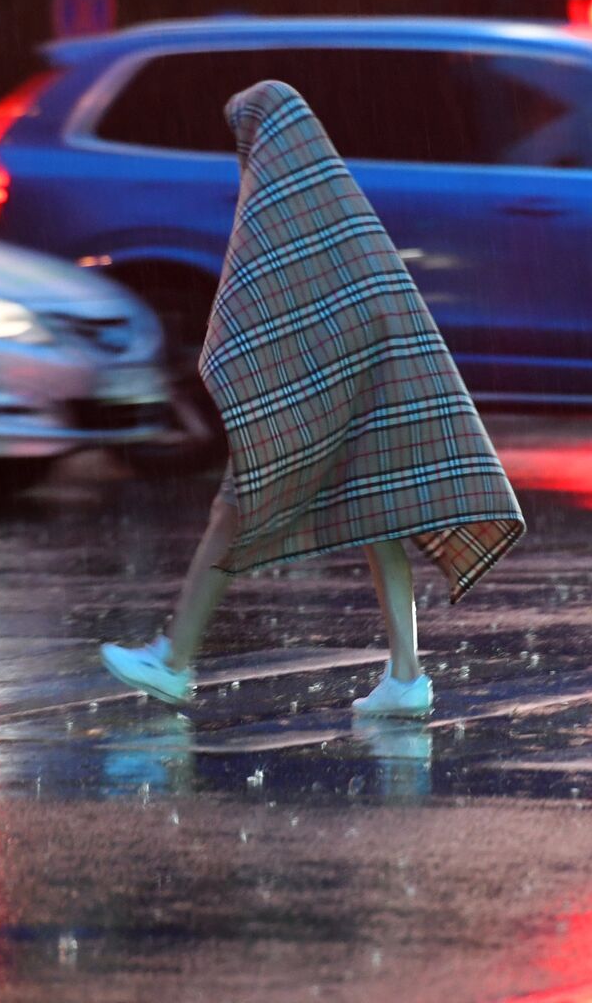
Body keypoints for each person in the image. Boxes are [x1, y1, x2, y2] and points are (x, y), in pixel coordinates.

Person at [100, 80, 524, 718]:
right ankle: (406, 676)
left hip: (317, 399)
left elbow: (262, 306)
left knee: (236, 513)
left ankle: (174, 660)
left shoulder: (280, 209)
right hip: (370, 389)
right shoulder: (339, 210)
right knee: (380, 517)